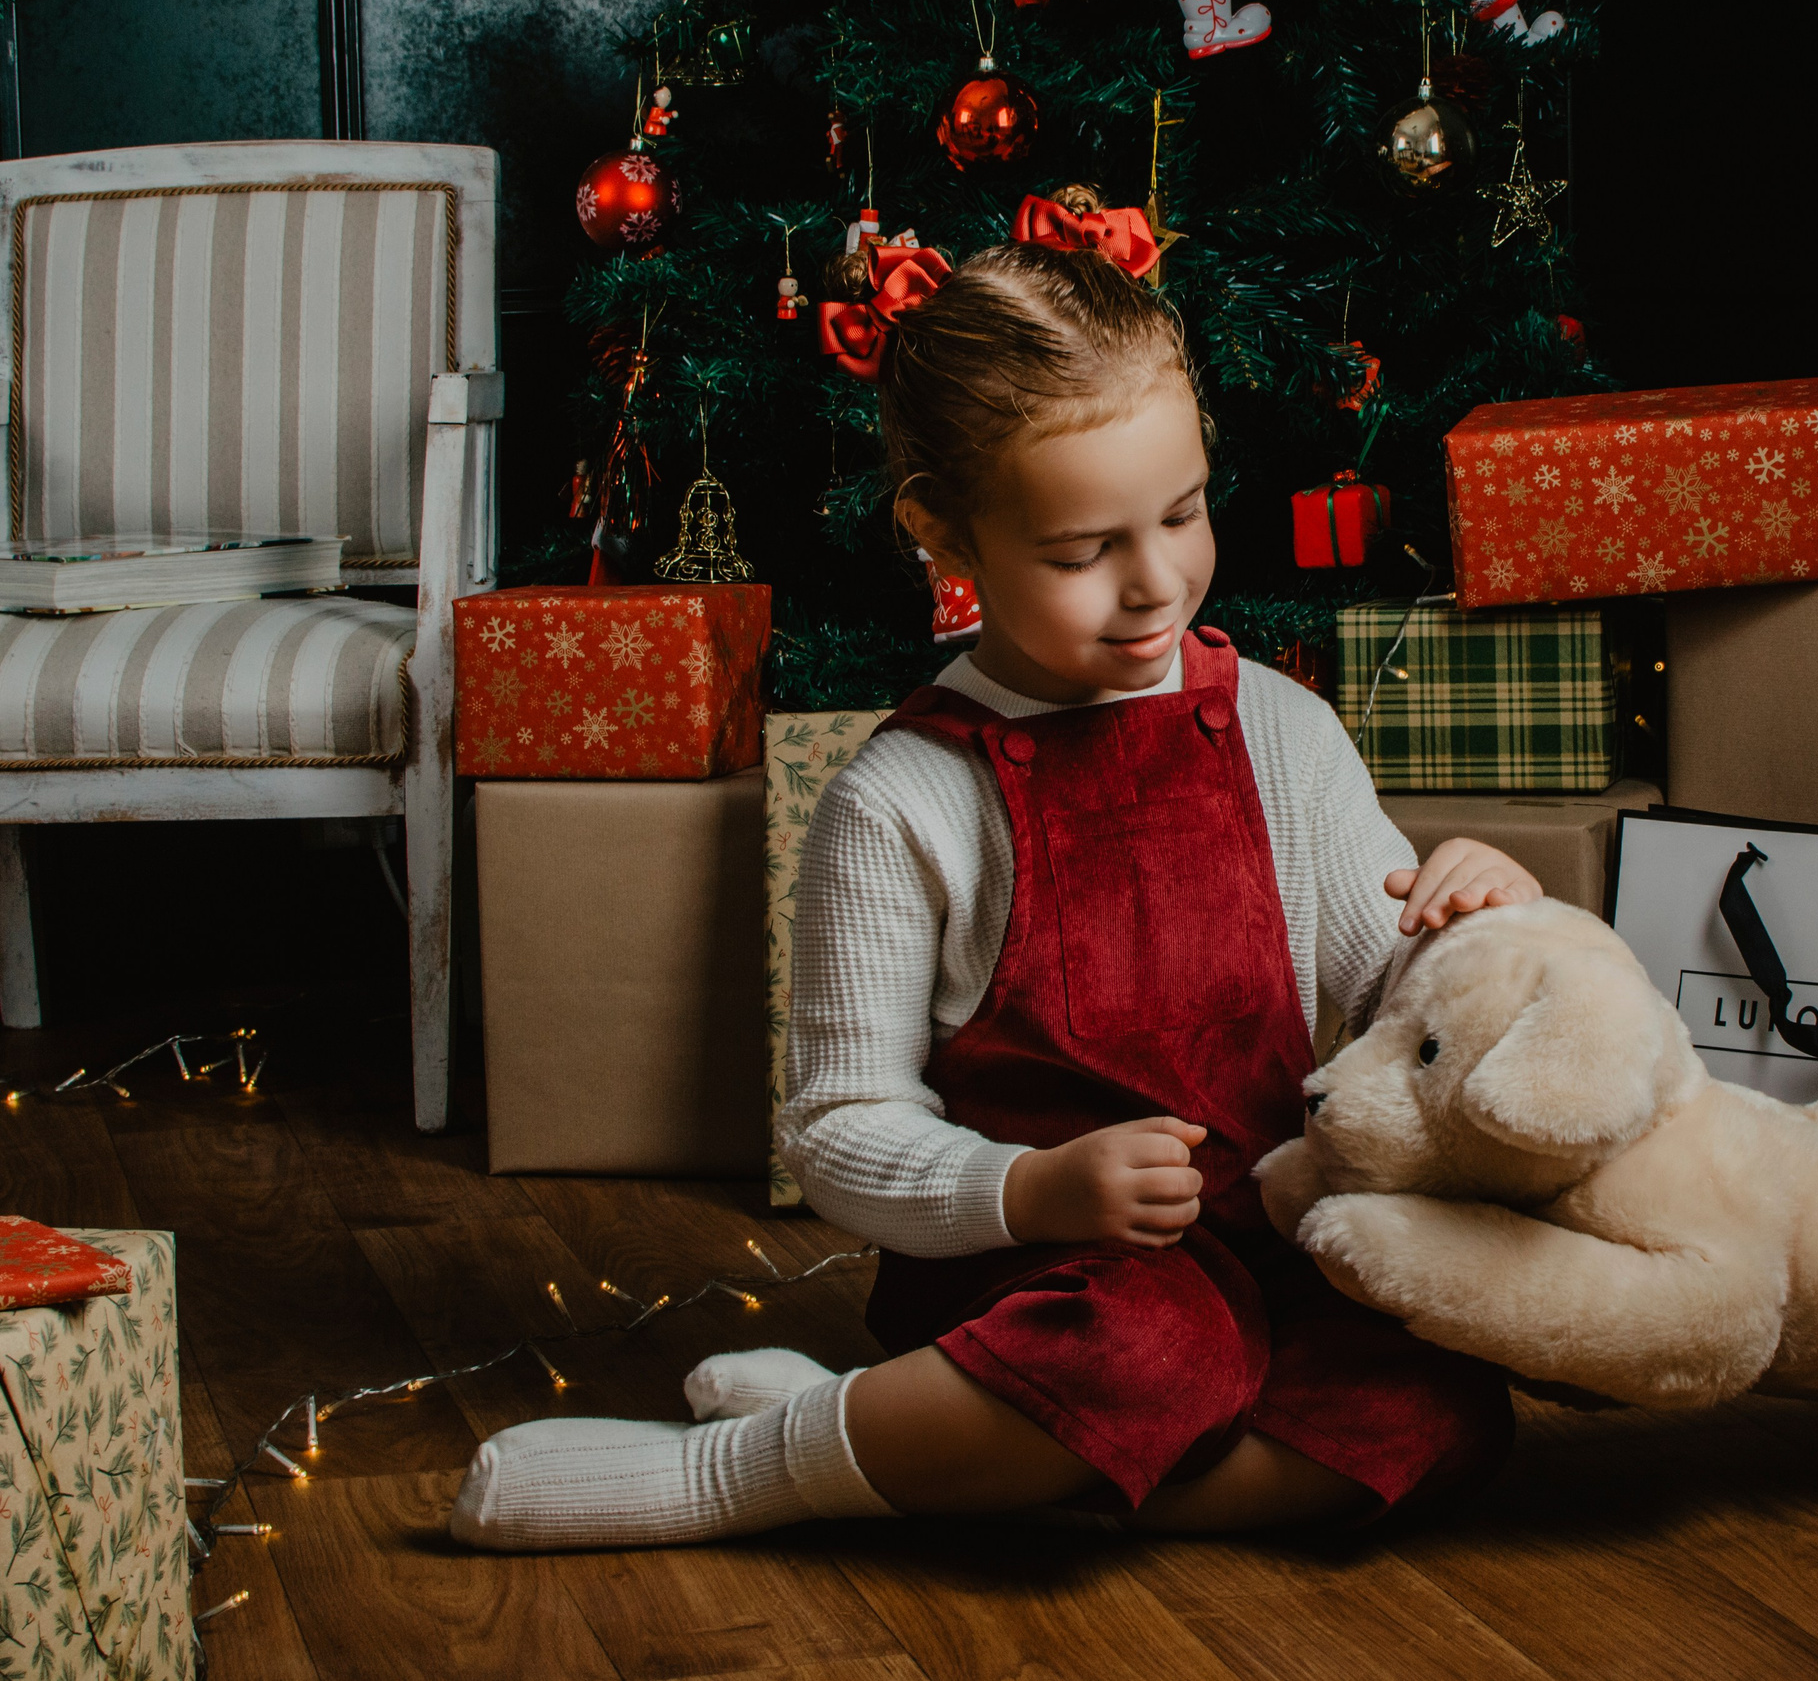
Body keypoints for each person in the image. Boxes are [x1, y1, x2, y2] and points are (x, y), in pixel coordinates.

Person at [449, 196, 1543, 1551]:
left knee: (1443, 1399)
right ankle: (747, 1474)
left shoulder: (1279, 728)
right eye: (1084, 553)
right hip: (1049, 1279)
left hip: (1268, 1237)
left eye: (1185, 514)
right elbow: (834, 1131)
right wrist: (1029, 1190)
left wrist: (1476, 919)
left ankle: (1017, 1475)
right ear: (948, 534)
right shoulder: (907, 798)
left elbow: (1390, 996)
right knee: (1156, 1351)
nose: (1157, 586)